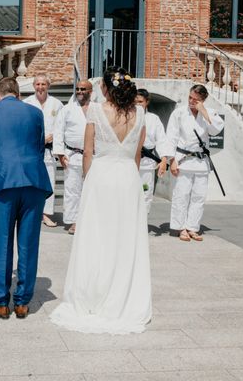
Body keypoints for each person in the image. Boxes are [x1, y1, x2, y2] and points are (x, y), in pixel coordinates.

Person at [50, 67, 151, 334]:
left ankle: (94, 295)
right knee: (125, 239)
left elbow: (88, 152)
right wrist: (131, 178)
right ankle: (123, 296)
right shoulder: (140, 113)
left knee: (97, 237)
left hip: (101, 177)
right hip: (128, 177)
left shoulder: (95, 110)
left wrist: (88, 180)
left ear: (105, 88)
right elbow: (137, 155)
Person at [0, 77, 52, 320]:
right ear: (18, 94)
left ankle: (1, 302)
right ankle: (22, 302)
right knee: (29, 242)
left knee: (2, 241)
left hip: (3, 182)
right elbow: (39, 148)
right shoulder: (35, 113)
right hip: (33, 181)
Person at [167, 84, 225, 242]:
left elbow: (215, 130)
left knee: (198, 197)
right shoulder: (179, 113)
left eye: (196, 99)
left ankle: (193, 227)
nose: (191, 101)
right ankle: (180, 228)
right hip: (183, 160)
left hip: (201, 162)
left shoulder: (209, 113)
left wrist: (203, 111)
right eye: (190, 97)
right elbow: (171, 137)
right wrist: (172, 160)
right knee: (181, 195)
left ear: (203, 100)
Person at [24, 74, 63, 227]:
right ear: (34, 86)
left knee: (49, 181)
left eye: (43, 84)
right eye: (38, 84)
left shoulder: (57, 104)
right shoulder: (27, 103)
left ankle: (46, 214)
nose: (40, 87)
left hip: (49, 149)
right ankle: (31, 212)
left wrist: (52, 137)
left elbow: (61, 126)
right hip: (32, 149)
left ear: (48, 86)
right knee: (31, 182)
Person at [53, 80, 92, 235]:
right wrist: (60, 154)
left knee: (90, 190)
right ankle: (73, 221)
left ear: (91, 91)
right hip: (72, 154)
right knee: (72, 189)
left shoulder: (97, 109)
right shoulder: (67, 109)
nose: (80, 91)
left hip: (93, 155)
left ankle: (89, 220)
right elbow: (58, 132)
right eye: (78, 89)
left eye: (83, 89)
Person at [135, 88, 172, 214]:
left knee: (145, 191)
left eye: (140, 101)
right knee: (129, 192)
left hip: (147, 163)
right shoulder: (127, 116)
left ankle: (142, 222)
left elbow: (161, 140)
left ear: (146, 102)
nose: (137, 104)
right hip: (130, 162)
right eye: (135, 102)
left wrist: (163, 160)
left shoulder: (153, 119)